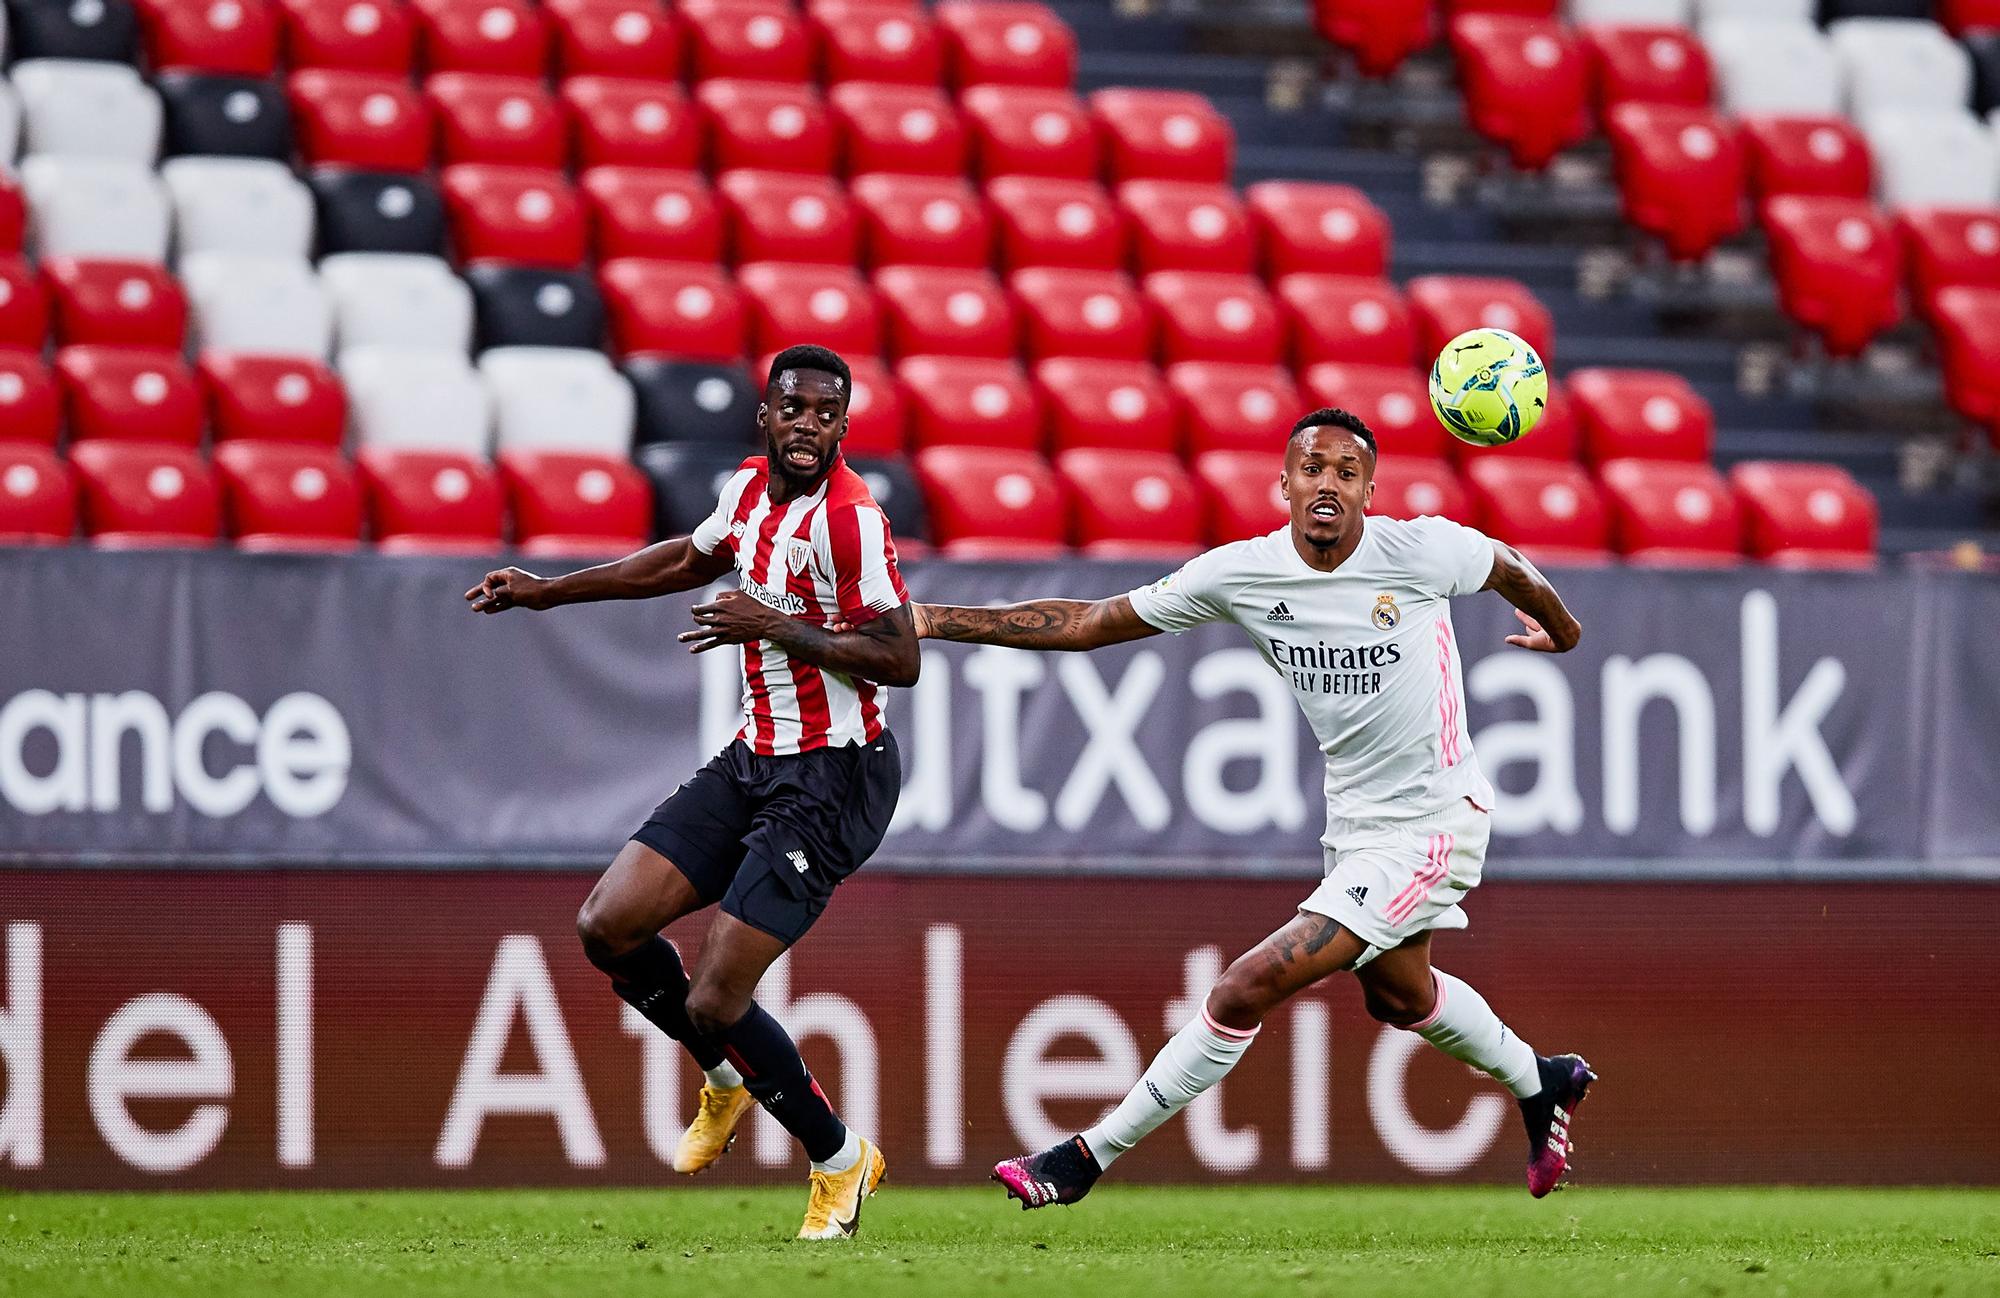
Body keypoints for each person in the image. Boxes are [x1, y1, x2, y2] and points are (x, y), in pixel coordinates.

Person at [908, 407, 1595, 1209]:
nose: (1328, 483)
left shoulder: (1419, 550)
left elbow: (1508, 565)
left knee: (1244, 987)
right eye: (1313, 468)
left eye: (1346, 472)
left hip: (1433, 824)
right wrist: (931, 618)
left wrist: (1565, 632)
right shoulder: (1245, 573)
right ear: (1284, 485)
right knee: (1400, 993)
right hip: (1356, 825)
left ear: (1370, 492)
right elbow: (1090, 623)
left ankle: (1085, 1157)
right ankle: (1541, 1081)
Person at [464, 344, 917, 1240]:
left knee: (715, 996)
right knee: (609, 925)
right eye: (795, 409)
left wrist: (772, 624)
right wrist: (550, 593)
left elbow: (900, 659)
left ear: (843, 427)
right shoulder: (747, 490)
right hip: (755, 757)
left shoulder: (851, 520)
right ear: (767, 415)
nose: (808, 427)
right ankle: (722, 1075)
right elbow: (683, 561)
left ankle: (839, 1161)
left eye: (828, 414)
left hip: (833, 776)